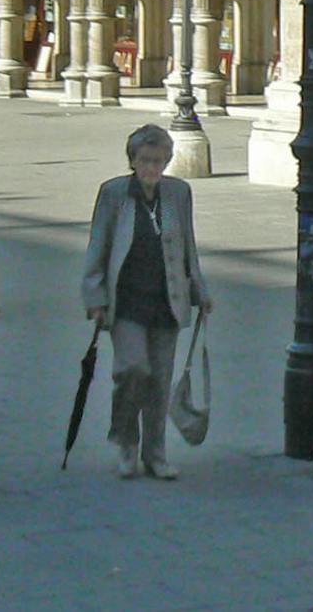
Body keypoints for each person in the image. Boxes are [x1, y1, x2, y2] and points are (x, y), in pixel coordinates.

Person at [82, 124, 212, 481]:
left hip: (167, 299)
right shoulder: (114, 194)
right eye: (145, 160)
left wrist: (200, 290)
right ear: (132, 160)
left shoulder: (178, 193)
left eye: (158, 160)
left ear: (167, 160)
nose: (152, 167)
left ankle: (155, 453)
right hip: (126, 300)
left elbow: (188, 246)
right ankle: (127, 443)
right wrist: (94, 296)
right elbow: (98, 246)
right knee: (132, 370)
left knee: (159, 380)